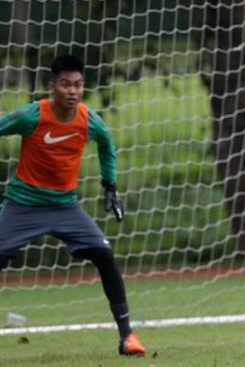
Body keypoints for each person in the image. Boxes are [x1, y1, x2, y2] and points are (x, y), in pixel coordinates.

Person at [0, 55, 146, 355]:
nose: (72, 91)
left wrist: (110, 188)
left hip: (66, 207)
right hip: (23, 205)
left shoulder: (89, 120)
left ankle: (128, 336)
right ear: (52, 87)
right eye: (65, 84)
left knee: (105, 254)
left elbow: (107, 146)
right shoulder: (32, 116)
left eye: (78, 85)